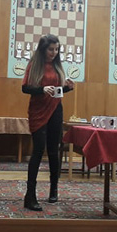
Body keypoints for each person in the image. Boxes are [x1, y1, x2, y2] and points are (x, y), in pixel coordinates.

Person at [21, 34, 75, 211]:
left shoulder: (57, 66)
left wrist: (67, 88)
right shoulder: (34, 64)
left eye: (57, 49)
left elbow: (57, 91)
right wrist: (42, 89)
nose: (54, 52)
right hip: (38, 111)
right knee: (38, 151)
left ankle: (54, 189)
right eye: (51, 49)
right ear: (43, 49)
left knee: (53, 151)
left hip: (55, 110)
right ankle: (30, 195)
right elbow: (25, 88)